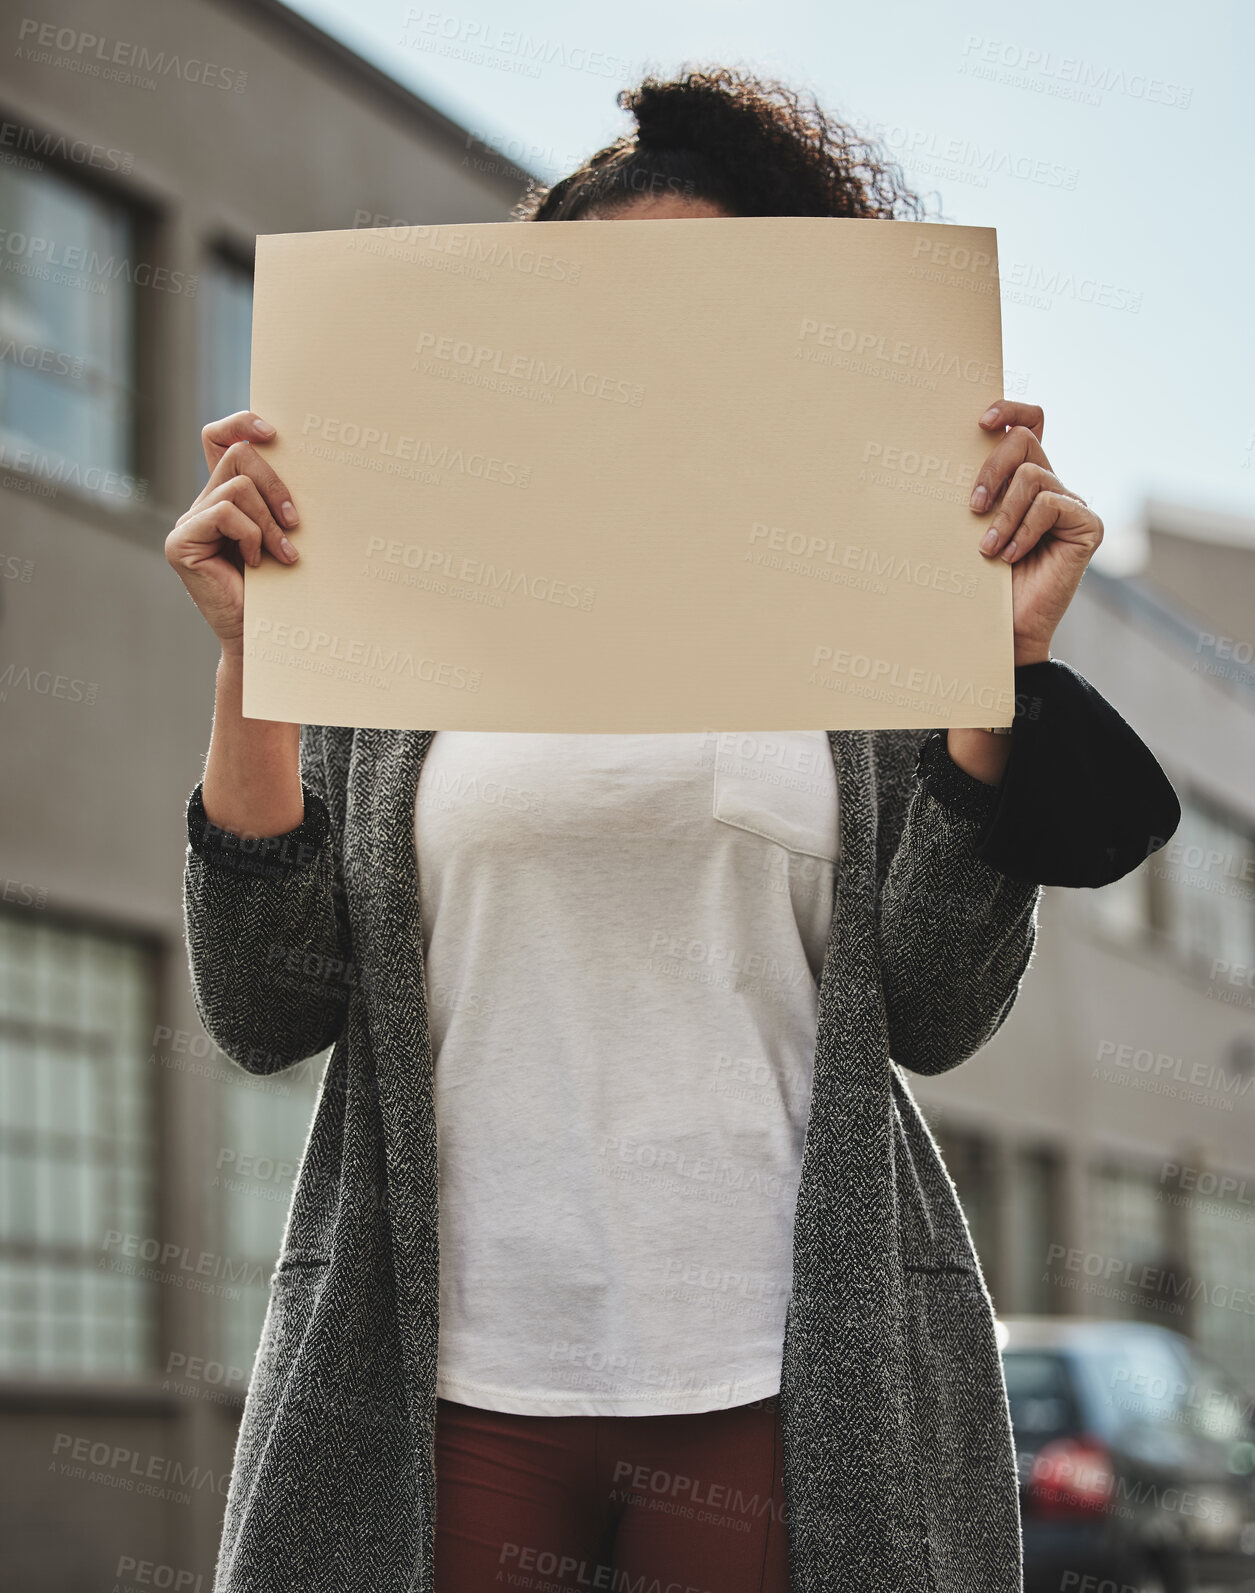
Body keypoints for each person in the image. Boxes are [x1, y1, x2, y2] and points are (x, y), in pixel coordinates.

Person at [168, 68, 1180, 1593]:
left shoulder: (859, 625)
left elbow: (939, 1006)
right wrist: (259, 654)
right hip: (446, 1375)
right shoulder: (408, 621)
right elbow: (264, 1005)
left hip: (781, 1379)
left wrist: (994, 664)